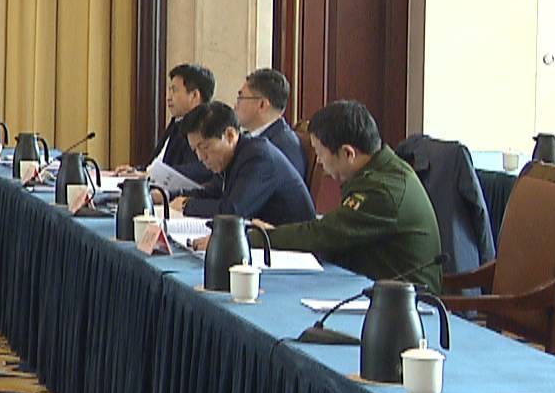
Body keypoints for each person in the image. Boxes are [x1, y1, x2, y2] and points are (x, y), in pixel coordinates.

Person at [259, 100, 442, 292]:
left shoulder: (382, 190)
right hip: (378, 287)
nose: (319, 162)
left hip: (406, 302)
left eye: (320, 154)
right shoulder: (379, 171)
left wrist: (262, 237)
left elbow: (325, 234)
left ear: (348, 153)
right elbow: (338, 226)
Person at [173, 102, 315, 228]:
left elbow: (232, 212)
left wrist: (187, 205)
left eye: (204, 147)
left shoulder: (258, 157)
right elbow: (211, 192)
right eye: (195, 150)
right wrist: (171, 196)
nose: (200, 157)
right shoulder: (233, 157)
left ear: (230, 135)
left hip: (288, 243)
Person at [114, 63, 215, 193]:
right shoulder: (176, 122)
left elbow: (199, 170)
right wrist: (137, 171)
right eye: (169, 90)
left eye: (174, 90)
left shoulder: (203, 128)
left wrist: (148, 175)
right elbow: (158, 161)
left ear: (194, 96)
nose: (168, 97)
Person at [233, 67, 307, 179]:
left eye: (241, 98)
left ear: (262, 105)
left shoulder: (283, 147)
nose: (235, 105)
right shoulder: (249, 137)